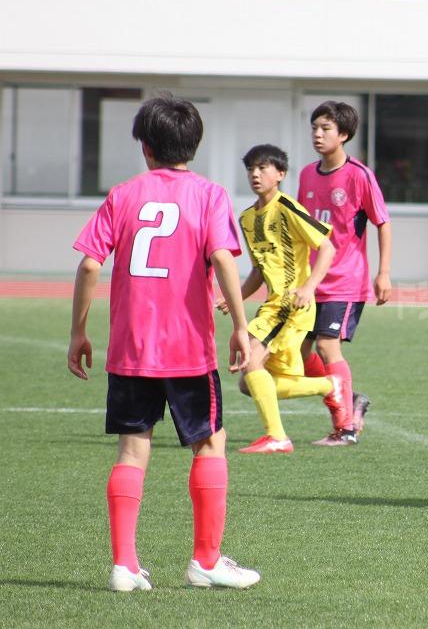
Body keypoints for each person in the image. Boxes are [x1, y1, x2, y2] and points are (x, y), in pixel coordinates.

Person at [67, 95, 261, 592]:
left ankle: (124, 566)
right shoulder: (210, 194)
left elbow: (89, 264)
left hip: (131, 347)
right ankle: (206, 561)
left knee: (132, 450)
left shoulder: (123, 194)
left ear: (146, 147)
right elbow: (223, 258)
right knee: (210, 443)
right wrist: (241, 326)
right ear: (193, 145)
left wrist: (78, 332)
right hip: (188, 347)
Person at [227, 144, 343, 454]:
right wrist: (236, 297)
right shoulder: (247, 218)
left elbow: (327, 248)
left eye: (262, 168)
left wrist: (308, 287)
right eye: (250, 168)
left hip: (292, 305)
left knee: (252, 362)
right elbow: (258, 270)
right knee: (248, 382)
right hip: (271, 307)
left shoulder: (287, 207)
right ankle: (329, 385)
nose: (255, 174)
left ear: (280, 174)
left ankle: (277, 437)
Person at [298, 100, 391, 446]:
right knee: (297, 357)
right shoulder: (307, 174)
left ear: (344, 135)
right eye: (314, 128)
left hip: (345, 281)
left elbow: (383, 223)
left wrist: (384, 272)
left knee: (326, 346)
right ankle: (350, 401)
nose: (318, 134)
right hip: (311, 282)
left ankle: (346, 428)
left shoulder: (359, 175)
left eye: (326, 128)